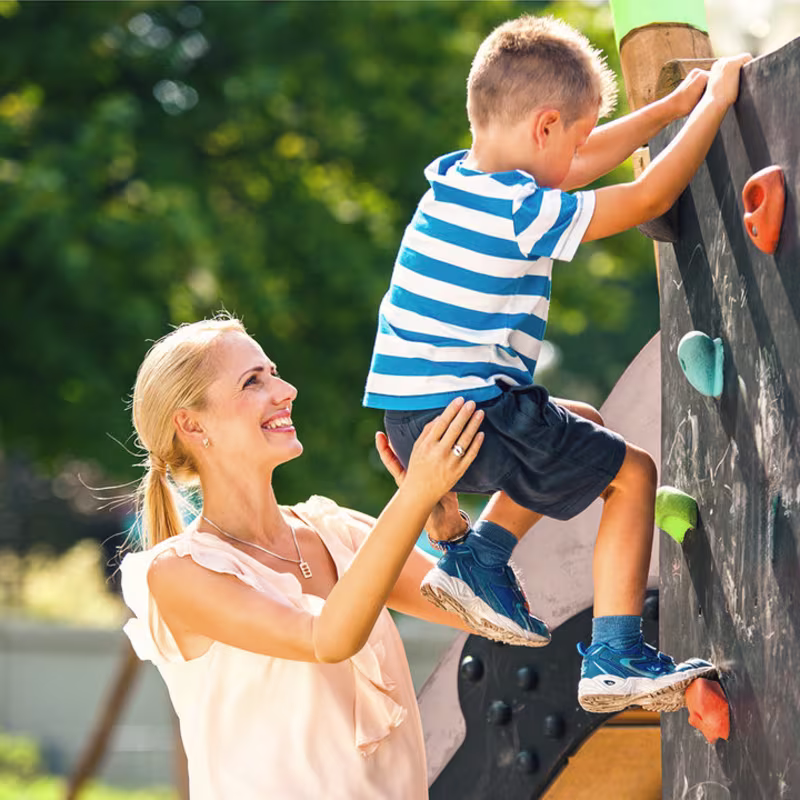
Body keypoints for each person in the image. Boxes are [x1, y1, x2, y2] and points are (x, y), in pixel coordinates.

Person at [363, 13, 751, 712]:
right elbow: (647, 197)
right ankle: (616, 655)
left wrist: (664, 110)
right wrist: (717, 102)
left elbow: (578, 159)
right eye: (570, 137)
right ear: (544, 127)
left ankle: (480, 559)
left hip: (419, 415)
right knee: (632, 476)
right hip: (470, 415)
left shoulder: (455, 183)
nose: (574, 162)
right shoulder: (520, 209)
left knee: (582, 421)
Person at [119, 316, 486, 800]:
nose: (286, 389)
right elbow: (326, 638)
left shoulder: (340, 534)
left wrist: (455, 529)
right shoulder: (178, 573)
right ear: (191, 423)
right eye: (254, 381)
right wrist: (416, 494)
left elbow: (484, 611)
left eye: (275, 372)